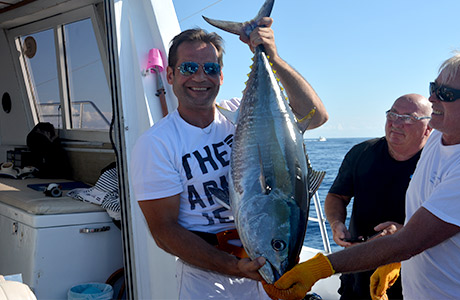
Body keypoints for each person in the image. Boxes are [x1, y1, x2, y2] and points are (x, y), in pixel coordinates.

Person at [263, 49, 460, 300]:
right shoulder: (441, 137)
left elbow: (410, 242)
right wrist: (399, 251)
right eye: (434, 88)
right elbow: (424, 231)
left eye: (446, 94)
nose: (432, 99)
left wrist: (320, 268)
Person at [130, 17, 328, 299]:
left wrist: (272, 56)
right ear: (170, 75)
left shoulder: (243, 113)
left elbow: (316, 116)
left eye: (210, 68)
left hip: (265, 270)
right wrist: (235, 267)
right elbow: (164, 231)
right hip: (208, 280)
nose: (200, 77)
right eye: (189, 68)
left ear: (221, 76)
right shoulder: (156, 144)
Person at [325, 93, 432, 299]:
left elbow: (447, 225)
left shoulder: (437, 163)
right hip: (357, 272)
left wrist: (404, 233)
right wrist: (336, 223)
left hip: (413, 279)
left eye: (408, 117)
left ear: (429, 128)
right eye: (392, 114)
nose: (396, 123)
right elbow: (337, 196)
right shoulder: (362, 152)